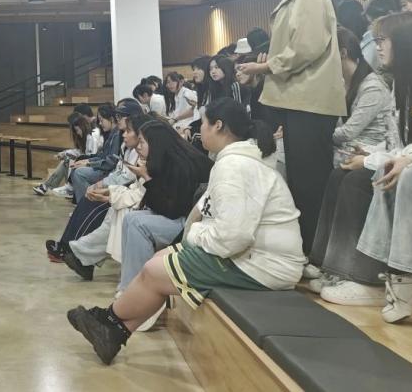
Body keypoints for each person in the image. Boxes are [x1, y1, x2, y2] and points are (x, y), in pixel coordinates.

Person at [66, 98, 303, 365]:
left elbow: (232, 237)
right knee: (160, 259)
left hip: (265, 265)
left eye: (204, 123)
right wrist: (196, 235)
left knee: (155, 271)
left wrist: (195, 235)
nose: (200, 129)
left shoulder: (236, 165)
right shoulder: (236, 160)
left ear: (218, 126)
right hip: (254, 256)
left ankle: (109, 320)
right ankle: (113, 331)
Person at [237, 0, 346, 254]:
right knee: (302, 180)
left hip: (310, 101)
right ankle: (310, 251)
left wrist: (264, 67)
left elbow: (306, 48)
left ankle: (318, 253)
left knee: (311, 183)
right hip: (301, 99)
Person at [60, 120, 211, 292]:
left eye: (142, 142)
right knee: (129, 216)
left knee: (134, 221)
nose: (138, 147)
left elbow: (171, 210)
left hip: (192, 225)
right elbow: (152, 198)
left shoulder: (180, 165)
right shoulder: (163, 160)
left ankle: (131, 288)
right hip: (179, 216)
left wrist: (147, 179)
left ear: (156, 143)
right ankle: (128, 284)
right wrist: (114, 192)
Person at [306, 27, 393, 305]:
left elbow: (348, 131)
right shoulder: (348, 84)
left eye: (383, 41)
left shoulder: (372, 86)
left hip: (373, 155)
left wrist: (316, 132)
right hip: (366, 153)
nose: (378, 47)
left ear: (343, 53)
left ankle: (353, 273)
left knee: (351, 180)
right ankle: (327, 263)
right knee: (337, 177)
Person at [354, 11, 412, 323]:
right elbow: (398, 143)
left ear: (404, 43)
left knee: (409, 174)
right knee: (385, 171)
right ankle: (384, 272)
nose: (377, 47)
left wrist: (410, 157)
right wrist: (375, 157)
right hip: (408, 157)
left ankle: (406, 275)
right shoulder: (401, 86)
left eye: (383, 40)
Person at [46, 112, 149, 260]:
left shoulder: (140, 153)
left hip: (123, 191)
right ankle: (66, 245)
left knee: (96, 204)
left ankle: (72, 251)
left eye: (128, 130)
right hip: (118, 188)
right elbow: (117, 170)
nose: (124, 134)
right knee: (87, 199)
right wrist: (103, 186)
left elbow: (127, 179)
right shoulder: (125, 146)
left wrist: (104, 187)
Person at [69, 99, 139, 201]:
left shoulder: (118, 135)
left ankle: (86, 202)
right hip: (113, 172)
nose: (100, 124)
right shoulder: (114, 134)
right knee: (77, 165)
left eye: (102, 120)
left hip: (110, 171)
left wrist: (89, 164)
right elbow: (103, 155)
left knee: (79, 173)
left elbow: (111, 163)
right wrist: (88, 161)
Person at [362, 0, 402, 74]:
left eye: (375, 19)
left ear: (391, 13)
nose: (374, 27)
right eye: (371, 22)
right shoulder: (370, 39)